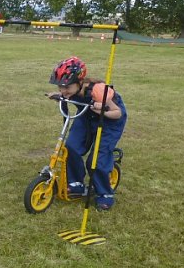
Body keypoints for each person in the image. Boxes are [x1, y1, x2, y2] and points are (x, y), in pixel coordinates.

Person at [48, 56, 127, 210]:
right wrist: (58, 97)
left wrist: (101, 110)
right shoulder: (70, 91)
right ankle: (76, 183)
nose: (63, 91)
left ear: (79, 82)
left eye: (67, 88)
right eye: (60, 87)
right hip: (87, 116)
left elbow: (117, 113)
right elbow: (69, 96)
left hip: (109, 122)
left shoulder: (98, 91)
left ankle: (105, 194)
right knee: (71, 146)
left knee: (95, 160)